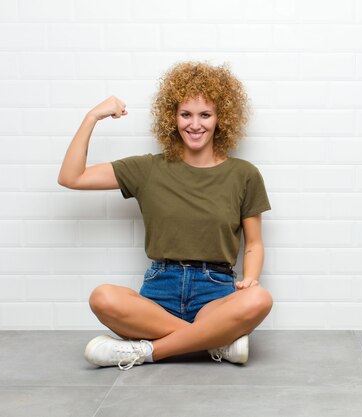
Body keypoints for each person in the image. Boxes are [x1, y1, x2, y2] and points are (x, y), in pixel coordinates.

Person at [57, 62, 273, 370]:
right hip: (159, 292)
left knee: (260, 299)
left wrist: (250, 279)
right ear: (172, 117)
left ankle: (145, 352)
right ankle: (215, 342)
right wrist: (92, 117)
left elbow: (253, 243)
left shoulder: (244, 174)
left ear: (220, 118)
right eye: (186, 114)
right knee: (102, 297)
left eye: (205, 115)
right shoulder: (148, 169)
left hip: (215, 293)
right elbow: (71, 177)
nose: (195, 124)